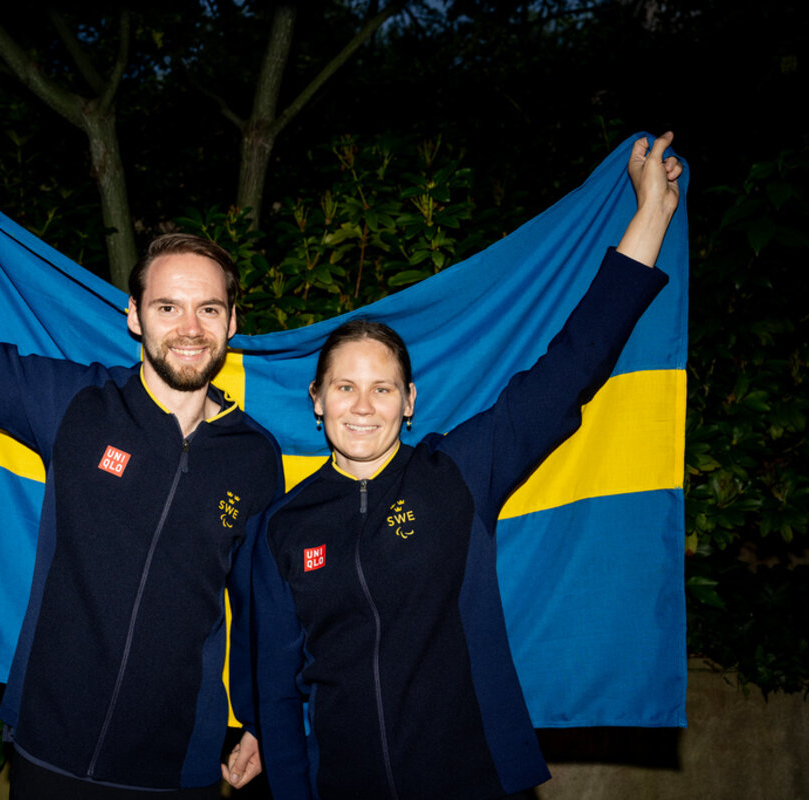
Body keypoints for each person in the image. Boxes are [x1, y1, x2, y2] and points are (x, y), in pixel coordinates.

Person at [249, 132, 683, 799]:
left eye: (383, 387)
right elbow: (276, 696)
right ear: (317, 401)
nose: (362, 406)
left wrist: (650, 209)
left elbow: (575, 361)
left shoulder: (458, 471)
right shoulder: (283, 524)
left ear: (409, 402)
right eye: (344, 387)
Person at [0, 139, 281, 798]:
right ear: (134, 316)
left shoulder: (255, 457)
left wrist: (266, 719)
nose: (189, 327)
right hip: (51, 750)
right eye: (167, 307)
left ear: (232, 321)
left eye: (208, 309)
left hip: (178, 770)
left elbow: (263, 603)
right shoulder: (77, 404)